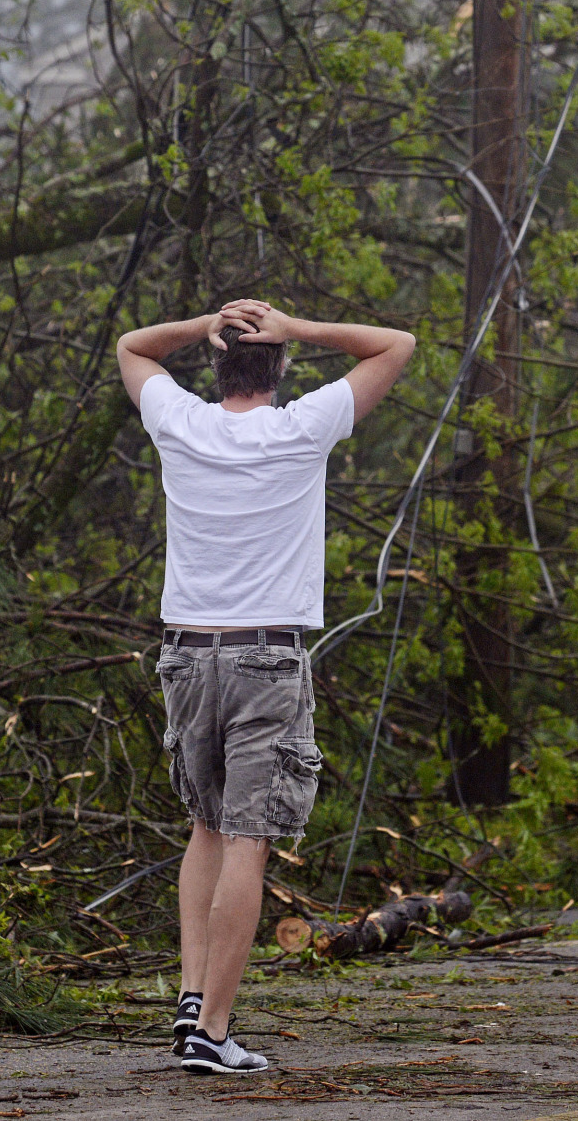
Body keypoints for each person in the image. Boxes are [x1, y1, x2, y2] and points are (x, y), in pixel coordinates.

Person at [116, 299, 416, 1075]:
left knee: (205, 826)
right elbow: (397, 344)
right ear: (279, 364)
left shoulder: (181, 422)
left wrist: (201, 324)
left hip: (187, 654)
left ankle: (192, 997)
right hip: (265, 657)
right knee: (247, 836)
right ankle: (212, 1032)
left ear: (216, 362)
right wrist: (300, 326)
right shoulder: (301, 426)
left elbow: (131, 347)